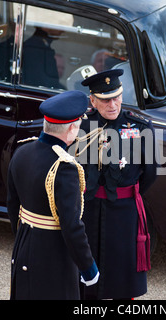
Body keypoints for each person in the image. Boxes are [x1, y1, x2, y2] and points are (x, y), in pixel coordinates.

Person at [6, 91, 99, 300]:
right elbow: (71, 226)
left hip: (24, 245)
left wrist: (23, 237)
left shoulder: (22, 151)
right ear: (72, 128)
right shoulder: (64, 168)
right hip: (52, 255)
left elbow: (13, 206)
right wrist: (89, 269)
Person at [77, 69, 157, 299]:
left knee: (121, 273)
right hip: (89, 211)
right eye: (105, 100)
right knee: (86, 269)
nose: (113, 104)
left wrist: (126, 193)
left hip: (123, 212)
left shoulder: (141, 128)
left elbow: (150, 174)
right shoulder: (82, 126)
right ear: (92, 100)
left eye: (116, 97)